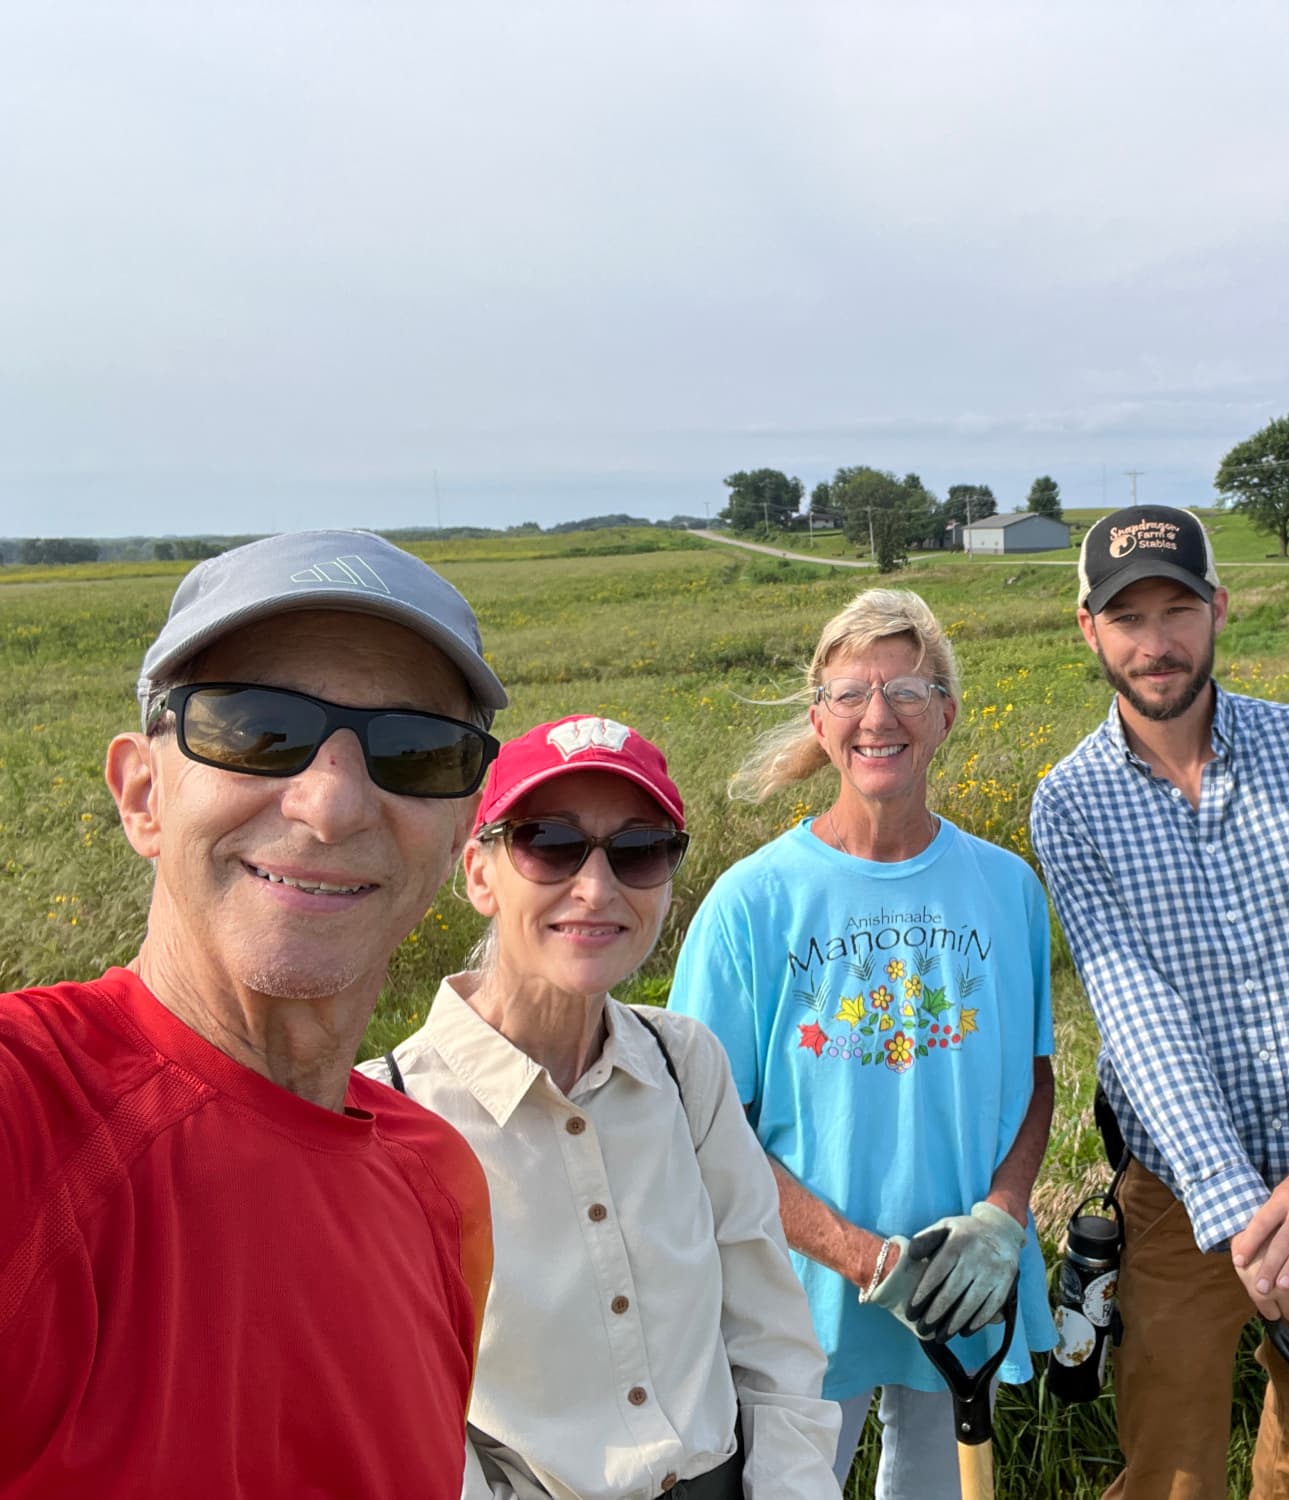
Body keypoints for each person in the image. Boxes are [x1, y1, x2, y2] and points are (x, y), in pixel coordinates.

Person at [0, 530, 502, 1498]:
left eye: (414, 750)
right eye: (257, 728)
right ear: (141, 793)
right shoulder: (30, 1107)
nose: (333, 804)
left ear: (456, 838)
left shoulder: (436, 1179)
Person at [362, 715, 842, 1500]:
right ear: (479, 873)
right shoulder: (388, 1117)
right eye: (548, 843)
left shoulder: (688, 1066)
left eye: (638, 850)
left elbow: (770, 1340)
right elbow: (402, 1425)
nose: (596, 887)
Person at [1029, 505, 1289, 1500]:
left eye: (1176, 609)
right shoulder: (1067, 803)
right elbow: (1132, 1011)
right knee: (1169, 1458)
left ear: (1218, 610)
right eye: (1126, 617)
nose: (1154, 643)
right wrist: (1237, 1209)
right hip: (1180, 1194)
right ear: (1087, 629)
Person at [669, 588, 1058, 1498]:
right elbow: (702, 1127)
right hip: (797, 1302)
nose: (877, 716)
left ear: (947, 715)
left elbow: (1034, 1075)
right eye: (850, 694)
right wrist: (861, 1257)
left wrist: (1002, 1214)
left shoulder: (1006, 889)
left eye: (909, 691)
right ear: (820, 717)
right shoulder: (753, 903)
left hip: (963, 1286)